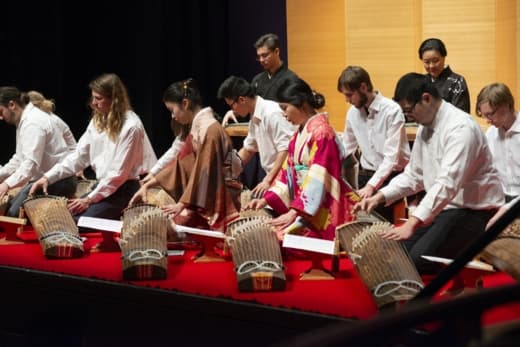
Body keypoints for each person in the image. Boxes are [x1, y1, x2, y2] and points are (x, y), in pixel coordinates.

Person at [354, 72, 504, 271]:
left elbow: (447, 183)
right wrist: (380, 196)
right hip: (447, 208)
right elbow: (414, 175)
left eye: (409, 110)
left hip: (474, 212)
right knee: (397, 252)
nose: (408, 117)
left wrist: (412, 223)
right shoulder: (426, 125)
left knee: (418, 259)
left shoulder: (461, 128)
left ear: (426, 99)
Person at [30, 73, 157, 245]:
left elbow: (117, 175)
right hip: (103, 187)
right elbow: (78, 157)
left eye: (98, 98)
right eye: (93, 98)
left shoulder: (131, 126)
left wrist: (89, 199)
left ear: (115, 99)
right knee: (62, 217)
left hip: (123, 190)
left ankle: (121, 226)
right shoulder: (98, 121)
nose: (93, 103)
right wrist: (47, 177)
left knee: (74, 223)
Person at [246, 78, 355, 241]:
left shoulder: (322, 133)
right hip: (306, 207)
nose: (283, 114)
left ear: (302, 104)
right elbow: (287, 172)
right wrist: (266, 200)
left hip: (325, 208)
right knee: (270, 234)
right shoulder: (298, 135)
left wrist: (295, 211)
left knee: (279, 238)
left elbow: (318, 179)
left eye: (285, 108)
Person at [130, 78, 241, 232]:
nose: (173, 116)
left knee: (173, 225)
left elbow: (205, 173)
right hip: (203, 195)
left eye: (172, 110)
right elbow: (181, 163)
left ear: (185, 103)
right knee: (168, 222)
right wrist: (147, 185)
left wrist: (182, 204)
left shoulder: (211, 130)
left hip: (220, 198)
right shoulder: (199, 127)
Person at [337, 66, 410, 222]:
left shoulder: (391, 110)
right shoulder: (352, 113)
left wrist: (371, 187)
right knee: (354, 219)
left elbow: (391, 159)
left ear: (363, 87)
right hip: (366, 174)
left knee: (379, 226)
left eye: (350, 95)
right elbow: (347, 149)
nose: (347, 100)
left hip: (392, 176)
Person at [0, 87, 77, 217]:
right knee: (10, 208)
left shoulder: (33, 123)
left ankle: (60, 214)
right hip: (43, 180)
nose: (0, 117)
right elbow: (19, 159)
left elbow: (30, 164)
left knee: (14, 214)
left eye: (1, 111)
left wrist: (6, 184)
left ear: (12, 105)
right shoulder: (25, 121)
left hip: (58, 181)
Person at [217, 76, 295, 198]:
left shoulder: (272, 113)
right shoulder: (255, 114)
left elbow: (286, 149)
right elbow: (248, 149)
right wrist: (226, 174)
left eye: (232, 106)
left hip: (287, 179)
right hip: (274, 178)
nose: (232, 110)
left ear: (242, 100)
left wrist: (268, 181)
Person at [476, 83, 520, 203]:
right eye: (483, 115)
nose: (487, 120)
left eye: (490, 114)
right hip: (500, 199)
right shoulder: (490, 134)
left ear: (506, 106)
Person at [418, 38, 470, 113]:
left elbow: (461, 114)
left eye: (435, 61)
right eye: (427, 62)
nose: (431, 66)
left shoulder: (457, 82)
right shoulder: (421, 82)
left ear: (444, 57)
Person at [140, 118, 190, 186]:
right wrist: (152, 173)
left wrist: (155, 178)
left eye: (172, 110)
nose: (173, 116)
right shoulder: (184, 133)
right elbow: (173, 152)